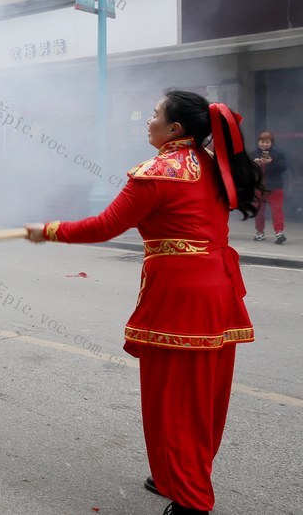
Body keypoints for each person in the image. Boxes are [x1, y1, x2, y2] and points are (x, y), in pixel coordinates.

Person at [25, 90, 260, 515]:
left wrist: (50, 230)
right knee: (203, 396)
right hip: (218, 290)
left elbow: (104, 226)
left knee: (173, 398)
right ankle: (176, 473)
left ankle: (192, 501)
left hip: (180, 297)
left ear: (175, 129)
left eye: (154, 115)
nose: (146, 121)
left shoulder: (157, 172)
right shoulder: (212, 166)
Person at [252, 130, 288, 244]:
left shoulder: (278, 154)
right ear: (258, 142)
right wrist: (254, 164)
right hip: (258, 187)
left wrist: (271, 162)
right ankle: (260, 232)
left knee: (277, 210)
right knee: (259, 211)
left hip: (275, 186)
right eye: (262, 142)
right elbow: (245, 170)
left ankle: (278, 232)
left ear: (271, 143)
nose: (264, 144)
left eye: (267, 142)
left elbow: (283, 168)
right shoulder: (252, 154)